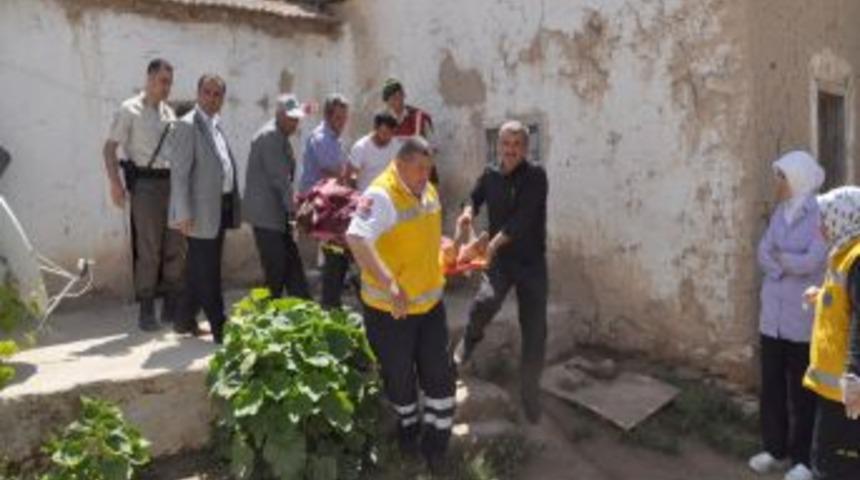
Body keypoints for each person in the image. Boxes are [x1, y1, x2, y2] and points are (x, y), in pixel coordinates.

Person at [346, 137, 455, 473]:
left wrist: (449, 250)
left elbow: (427, 238)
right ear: (400, 164)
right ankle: (408, 432)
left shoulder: (428, 191)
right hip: (392, 310)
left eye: (429, 168)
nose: (426, 174)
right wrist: (390, 283)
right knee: (399, 378)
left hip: (430, 305)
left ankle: (437, 445)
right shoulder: (381, 194)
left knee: (440, 375)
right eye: (420, 168)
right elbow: (356, 238)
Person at [453, 120, 548, 423]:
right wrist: (468, 212)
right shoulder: (491, 174)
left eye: (516, 145)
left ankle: (529, 392)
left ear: (525, 147)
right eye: (505, 144)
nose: (510, 150)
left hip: (531, 263)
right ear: (499, 146)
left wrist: (489, 247)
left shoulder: (536, 176)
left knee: (535, 329)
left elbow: (521, 221)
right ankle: (467, 343)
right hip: (502, 263)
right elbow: (474, 196)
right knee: (485, 302)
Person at [749, 151, 826, 480]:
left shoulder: (820, 215)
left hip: (802, 319)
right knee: (772, 386)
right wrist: (785, 262)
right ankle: (775, 450)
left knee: (803, 391)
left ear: (798, 179)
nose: (777, 184)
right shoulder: (780, 212)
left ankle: (804, 460)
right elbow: (763, 251)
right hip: (773, 318)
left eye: (781, 177)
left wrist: (782, 262)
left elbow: (814, 261)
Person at [103, 59, 184, 331]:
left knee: (174, 245)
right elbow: (109, 148)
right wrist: (115, 183)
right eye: (162, 81)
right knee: (149, 249)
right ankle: (147, 307)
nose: (167, 87)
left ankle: (171, 303)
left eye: (170, 82)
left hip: (171, 184)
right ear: (149, 79)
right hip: (146, 186)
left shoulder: (169, 113)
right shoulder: (130, 110)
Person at [168, 74, 240, 344]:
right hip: (198, 212)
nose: (212, 98)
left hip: (219, 207)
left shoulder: (215, 125)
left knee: (200, 267)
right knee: (208, 270)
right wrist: (182, 213)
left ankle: (183, 319)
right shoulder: (188, 126)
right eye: (207, 93)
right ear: (198, 94)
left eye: (217, 94)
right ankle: (220, 326)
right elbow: (180, 174)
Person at [802, 186, 860, 479]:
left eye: (825, 219)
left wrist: (855, 375)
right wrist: (823, 295)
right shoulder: (844, 251)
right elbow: (848, 300)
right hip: (835, 388)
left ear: (843, 217)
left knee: (837, 470)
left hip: (848, 392)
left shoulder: (857, 257)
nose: (820, 227)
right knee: (825, 464)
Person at [243, 94, 310, 299]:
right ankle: (265, 318)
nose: (295, 123)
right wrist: (295, 210)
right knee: (276, 271)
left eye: (297, 118)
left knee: (291, 267)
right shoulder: (271, 136)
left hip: (277, 216)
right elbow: (280, 179)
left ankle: (304, 308)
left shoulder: (279, 136)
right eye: (291, 118)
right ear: (279, 115)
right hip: (267, 216)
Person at [299, 94, 353, 309]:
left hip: (330, 205)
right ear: (328, 116)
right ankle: (330, 304)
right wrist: (352, 178)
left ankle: (332, 301)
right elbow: (335, 171)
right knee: (335, 254)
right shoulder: (323, 138)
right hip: (322, 207)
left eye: (344, 118)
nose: (342, 122)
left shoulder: (332, 138)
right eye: (339, 118)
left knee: (337, 255)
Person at [382, 79, 438, 184]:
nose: (397, 100)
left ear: (404, 95)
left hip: (421, 177)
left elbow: (433, 148)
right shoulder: (383, 123)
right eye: (393, 97)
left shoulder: (421, 117)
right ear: (387, 102)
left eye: (399, 95)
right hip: (395, 180)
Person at [346, 111, 400, 192]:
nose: (388, 138)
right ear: (375, 128)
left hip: (387, 197)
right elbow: (351, 176)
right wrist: (357, 197)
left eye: (391, 133)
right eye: (384, 133)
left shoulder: (396, 146)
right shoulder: (361, 148)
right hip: (364, 197)